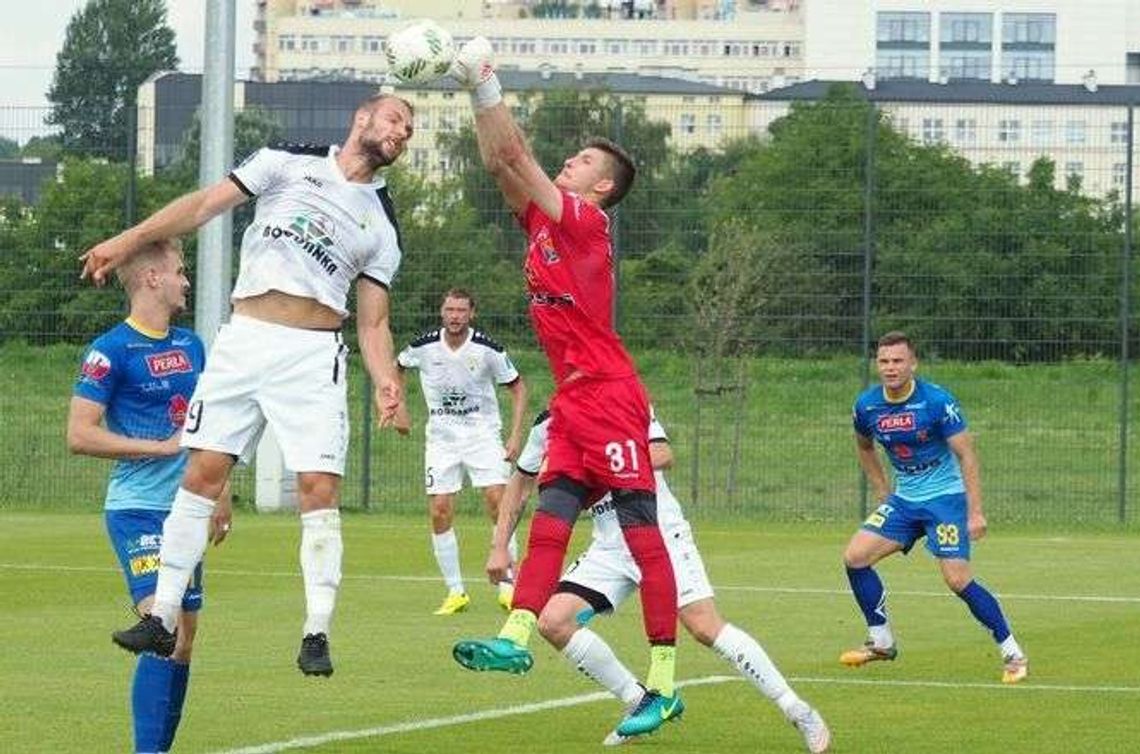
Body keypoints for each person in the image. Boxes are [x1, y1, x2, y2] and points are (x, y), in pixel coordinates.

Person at [81, 92, 416, 677]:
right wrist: (128, 241)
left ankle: (316, 632)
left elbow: (373, 322)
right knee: (201, 475)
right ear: (361, 117)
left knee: (317, 487)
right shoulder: (287, 159)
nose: (402, 133)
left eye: (410, 130)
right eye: (395, 119)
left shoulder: (382, 223)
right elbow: (202, 206)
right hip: (244, 340)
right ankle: (161, 617)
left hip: (311, 355)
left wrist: (388, 380)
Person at [447, 37, 682, 740]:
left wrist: (487, 82)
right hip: (574, 398)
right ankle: (515, 638)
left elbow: (518, 155)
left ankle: (665, 683)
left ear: (600, 187)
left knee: (643, 536)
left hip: (610, 393)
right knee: (551, 518)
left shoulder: (587, 221)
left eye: (581, 161)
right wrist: (476, 95)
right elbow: (501, 163)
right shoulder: (546, 221)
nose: (568, 163)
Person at [486, 409, 831, 750]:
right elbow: (520, 485)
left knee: (704, 626)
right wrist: (499, 546)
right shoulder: (548, 424)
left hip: (659, 532)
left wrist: (590, 466)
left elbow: (663, 454)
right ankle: (638, 701)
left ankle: (797, 710)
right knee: (553, 621)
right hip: (609, 547)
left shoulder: (624, 401)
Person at [67, 238, 233, 754]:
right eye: (179, 271)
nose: (187, 280)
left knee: (184, 641)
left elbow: (208, 425)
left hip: (188, 511)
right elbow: (79, 433)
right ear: (152, 278)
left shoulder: (191, 345)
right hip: (137, 510)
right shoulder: (110, 350)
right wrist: (159, 447)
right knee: (163, 629)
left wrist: (222, 490)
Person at [841, 331, 1028, 683]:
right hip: (904, 501)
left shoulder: (937, 401)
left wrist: (975, 512)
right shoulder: (866, 406)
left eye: (898, 361)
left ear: (913, 363)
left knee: (957, 580)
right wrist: (883, 490)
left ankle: (1012, 652)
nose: (890, 368)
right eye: (884, 361)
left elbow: (967, 454)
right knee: (855, 557)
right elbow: (864, 447)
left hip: (945, 500)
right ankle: (881, 640)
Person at [396, 287, 528, 614]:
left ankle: (508, 585)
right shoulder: (424, 346)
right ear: (442, 312)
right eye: (450, 310)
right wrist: (398, 407)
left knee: (498, 502)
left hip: (482, 436)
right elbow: (396, 367)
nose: (455, 316)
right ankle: (456, 592)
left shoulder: (487, 349)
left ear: (472, 314)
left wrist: (515, 435)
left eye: (461, 311)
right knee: (439, 509)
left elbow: (518, 388)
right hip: (441, 440)